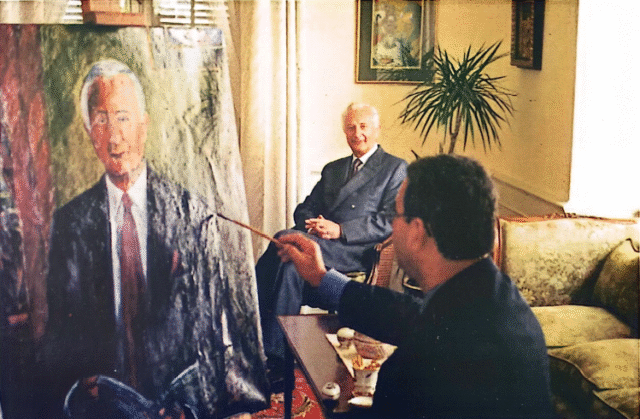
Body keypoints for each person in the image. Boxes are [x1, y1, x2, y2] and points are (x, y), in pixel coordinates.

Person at [36, 60, 267, 419]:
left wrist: (200, 402)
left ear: (143, 126)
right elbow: (60, 333)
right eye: (101, 120)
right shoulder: (70, 223)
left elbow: (212, 324)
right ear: (88, 131)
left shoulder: (190, 211)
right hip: (105, 401)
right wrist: (79, 386)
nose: (114, 137)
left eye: (123, 117)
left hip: (181, 402)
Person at [277, 154, 554, 418]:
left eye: (395, 214)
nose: (392, 225)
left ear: (417, 232)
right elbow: (411, 314)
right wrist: (322, 278)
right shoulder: (495, 295)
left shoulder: (420, 365)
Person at [255, 103, 407, 378]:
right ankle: (275, 359)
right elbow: (304, 208)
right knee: (289, 262)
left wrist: (340, 230)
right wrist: (312, 226)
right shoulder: (333, 169)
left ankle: (257, 339)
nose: (357, 133)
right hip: (320, 243)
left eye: (363, 127)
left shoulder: (394, 168)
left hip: (355, 249)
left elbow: (389, 220)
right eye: (351, 127)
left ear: (377, 129)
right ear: (344, 131)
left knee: (284, 241)